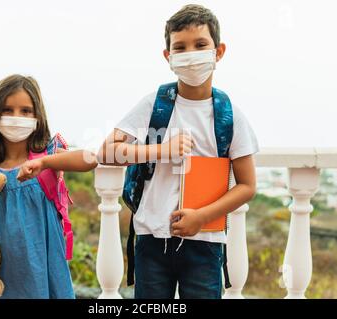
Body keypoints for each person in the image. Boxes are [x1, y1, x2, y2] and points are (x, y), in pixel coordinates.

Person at [98, 4, 259, 299]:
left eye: (200, 45)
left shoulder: (229, 114)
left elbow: (248, 186)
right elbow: (107, 151)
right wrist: (161, 150)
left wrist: (202, 217)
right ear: (168, 56)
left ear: (218, 51)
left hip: (206, 242)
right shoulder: (153, 104)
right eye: (180, 48)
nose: (191, 54)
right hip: (151, 240)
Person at [0, 74, 97, 299]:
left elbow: (90, 158)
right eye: (7, 110)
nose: (16, 117)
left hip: (43, 267)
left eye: (26, 111)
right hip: (2, 273)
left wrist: (44, 162)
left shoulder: (46, 156)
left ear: (37, 116)